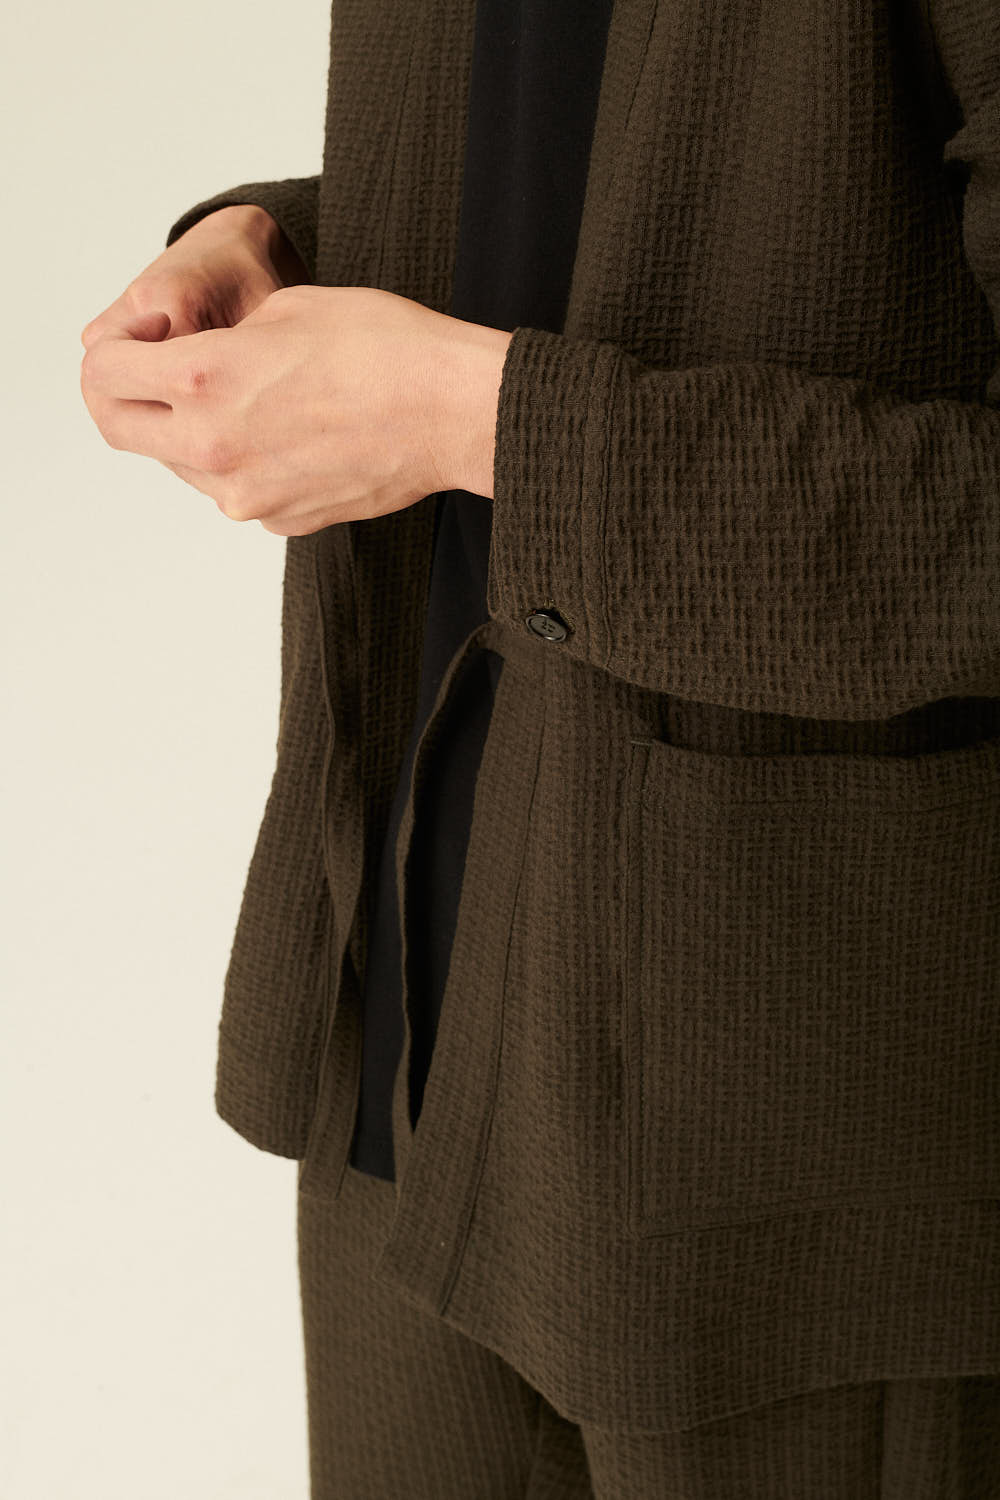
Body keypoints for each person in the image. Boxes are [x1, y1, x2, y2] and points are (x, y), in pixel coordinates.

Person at [80, 0, 1000, 1494]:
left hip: (794, 1149)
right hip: (406, 1025)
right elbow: (597, 191)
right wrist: (282, 247)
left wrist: (483, 424)